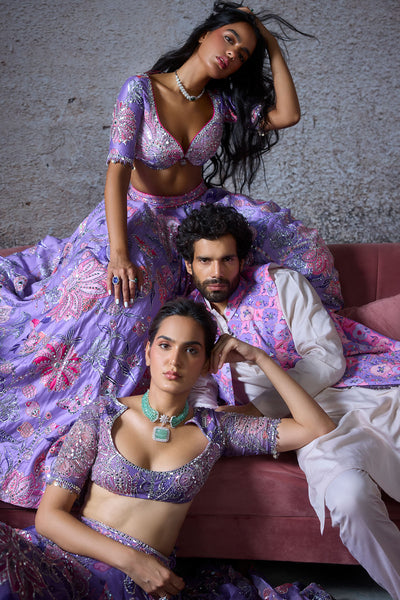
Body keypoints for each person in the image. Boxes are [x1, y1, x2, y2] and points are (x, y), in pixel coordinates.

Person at [0, 2, 340, 509]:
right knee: (122, 297)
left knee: (301, 250)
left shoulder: (223, 104)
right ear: (204, 35)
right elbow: (117, 173)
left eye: (243, 53)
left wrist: (269, 44)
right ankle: (86, 425)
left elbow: (287, 115)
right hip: (137, 214)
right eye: (229, 39)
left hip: (194, 211)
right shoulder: (141, 89)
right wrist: (119, 254)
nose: (232, 54)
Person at [0, 297, 337, 600]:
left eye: (191, 350)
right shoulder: (103, 414)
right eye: (165, 345)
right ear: (148, 352)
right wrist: (134, 562)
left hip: (139, 588)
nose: (174, 360)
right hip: (69, 562)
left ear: (207, 363)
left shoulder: (217, 430)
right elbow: (49, 518)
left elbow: (315, 427)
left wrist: (260, 358)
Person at [175, 203, 400, 600]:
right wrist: (209, 419)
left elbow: (327, 359)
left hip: (367, 390)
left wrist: (256, 410)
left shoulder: (281, 283)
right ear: (189, 264)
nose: (217, 271)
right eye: (205, 260)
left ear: (242, 259)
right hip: (308, 424)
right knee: (347, 497)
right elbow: (200, 394)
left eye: (227, 259)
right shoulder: (190, 320)